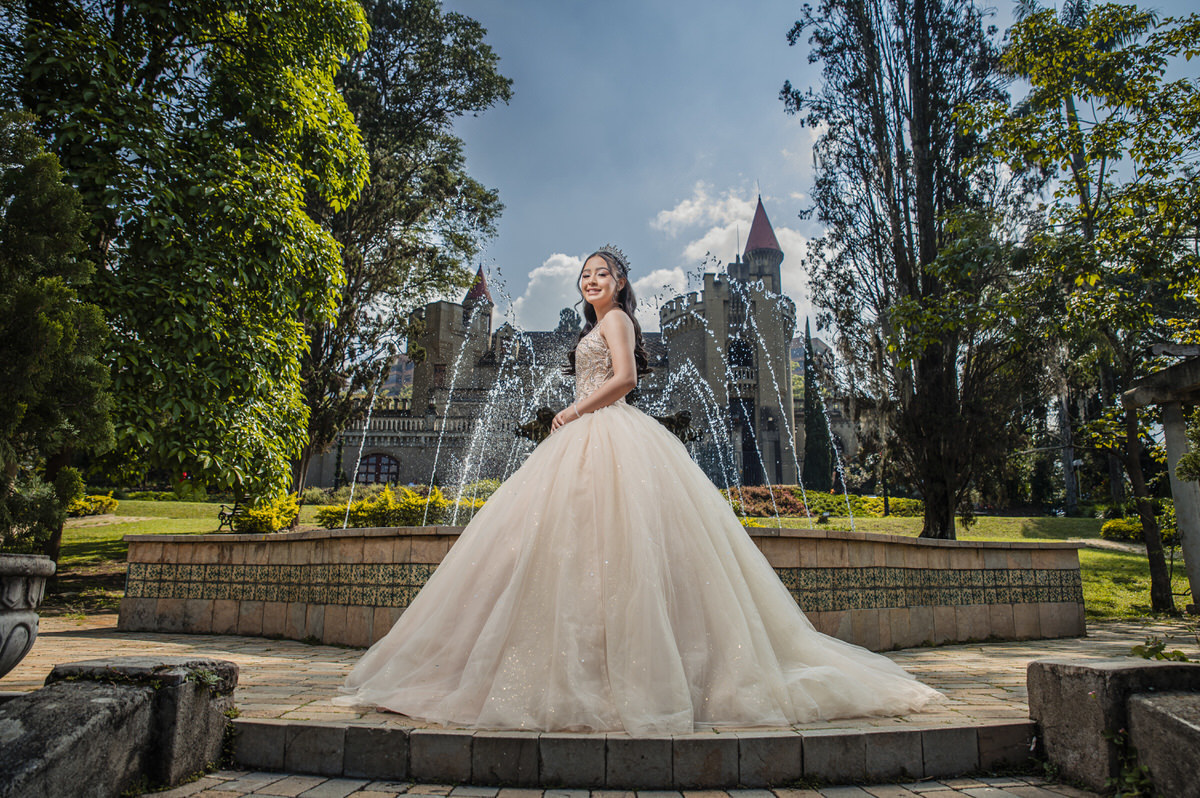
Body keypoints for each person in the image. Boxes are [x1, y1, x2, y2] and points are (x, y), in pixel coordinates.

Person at [333, 245, 942, 735]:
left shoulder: (619, 321)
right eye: (585, 275)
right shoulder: (594, 325)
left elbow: (625, 378)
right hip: (583, 437)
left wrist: (573, 411)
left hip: (606, 432)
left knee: (620, 549)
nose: (591, 280)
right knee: (570, 550)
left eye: (602, 273)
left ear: (621, 283)